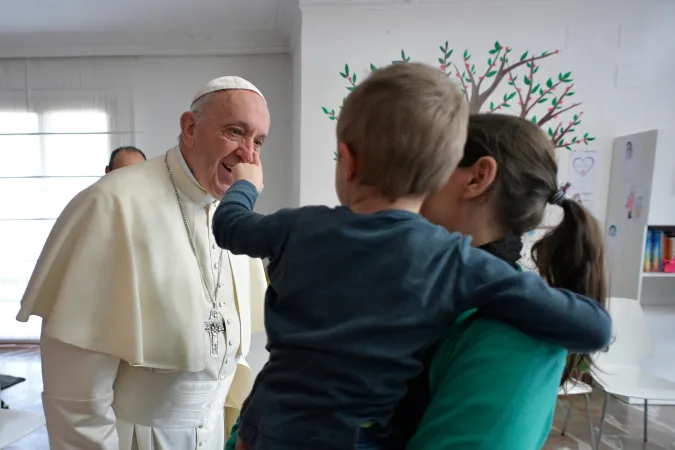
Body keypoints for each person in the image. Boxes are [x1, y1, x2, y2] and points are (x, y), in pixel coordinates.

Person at [215, 63, 611, 450]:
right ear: (438, 175)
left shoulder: (297, 227)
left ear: (346, 160)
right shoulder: (456, 264)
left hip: (264, 425)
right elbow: (594, 328)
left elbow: (230, 226)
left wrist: (245, 186)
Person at [16, 76, 269, 450]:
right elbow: (75, 398)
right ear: (190, 127)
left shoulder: (232, 215)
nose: (249, 156)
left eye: (259, 141)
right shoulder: (112, 204)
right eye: (235, 132)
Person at [390, 113, 608, 449]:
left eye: (424, 168)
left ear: (477, 177)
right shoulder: (447, 294)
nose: (403, 187)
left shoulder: (513, 329)